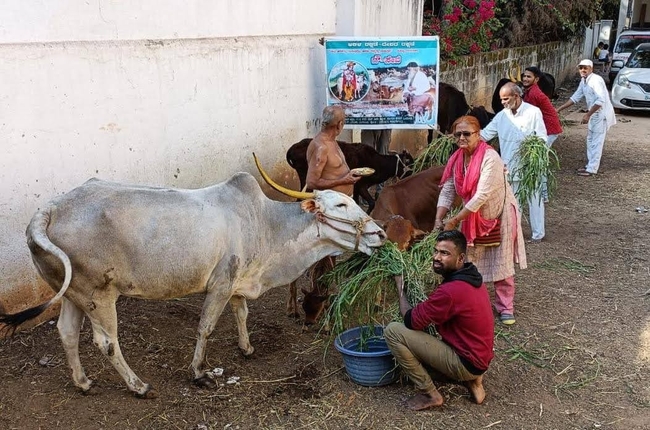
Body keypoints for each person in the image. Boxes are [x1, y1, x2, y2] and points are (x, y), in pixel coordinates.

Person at [384, 230, 495, 411]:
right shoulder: (472, 277)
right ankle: (474, 382)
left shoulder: (450, 291)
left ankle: (429, 394)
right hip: (479, 359)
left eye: (445, 253)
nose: (436, 257)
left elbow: (411, 321)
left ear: (460, 258)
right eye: (436, 251)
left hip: (465, 362)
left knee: (393, 331)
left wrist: (400, 286)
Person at [434, 115, 527, 325]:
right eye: (457, 134)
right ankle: (473, 302)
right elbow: (448, 188)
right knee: (471, 259)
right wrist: (439, 217)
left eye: (467, 134)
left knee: (501, 261)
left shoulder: (490, 158)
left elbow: (482, 194)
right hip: (472, 215)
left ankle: (505, 307)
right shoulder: (457, 158)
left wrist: (454, 220)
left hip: (499, 212)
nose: (462, 138)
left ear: (478, 135)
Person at [305, 106, 362, 303]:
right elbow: (312, 182)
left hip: (340, 206)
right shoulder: (321, 147)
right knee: (325, 255)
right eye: (343, 121)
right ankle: (320, 295)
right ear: (339, 124)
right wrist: (344, 181)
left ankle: (324, 293)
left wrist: (347, 177)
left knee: (331, 254)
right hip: (329, 209)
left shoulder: (331, 142)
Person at [480, 82, 548, 244]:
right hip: (509, 167)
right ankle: (513, 232)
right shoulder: (502, 116)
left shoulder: (533, 112)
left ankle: (538, 234)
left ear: (516, 97)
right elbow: (486, 134)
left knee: (534, 200)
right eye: (501, 99)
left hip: (531, 166)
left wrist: (534, 155)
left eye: (506, 99)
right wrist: (467, 137)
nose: (503, 102)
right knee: (513, 201)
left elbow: (542, 138)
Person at [556, 59, 616, 177]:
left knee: (596, 142)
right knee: (590, 140)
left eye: (585, 68)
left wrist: (588, 114)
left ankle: (592, 168)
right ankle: (590, 165)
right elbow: (575, 97)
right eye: (581, 68)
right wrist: (558, 109)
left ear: (591, 69)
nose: (583, 70)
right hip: (594, 114)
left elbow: (600, 101)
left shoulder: (596, 80)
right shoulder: (584, 81)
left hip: (601, 114)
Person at [522, 66, 563, 202]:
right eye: (525, 76)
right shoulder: (529, 91)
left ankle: (543, 194)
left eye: (529, 77)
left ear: (536, 79)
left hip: (548, 129)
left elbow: (529, 116)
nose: (525, 79)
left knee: (538, 160)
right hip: (546, 128)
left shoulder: (534, 94)